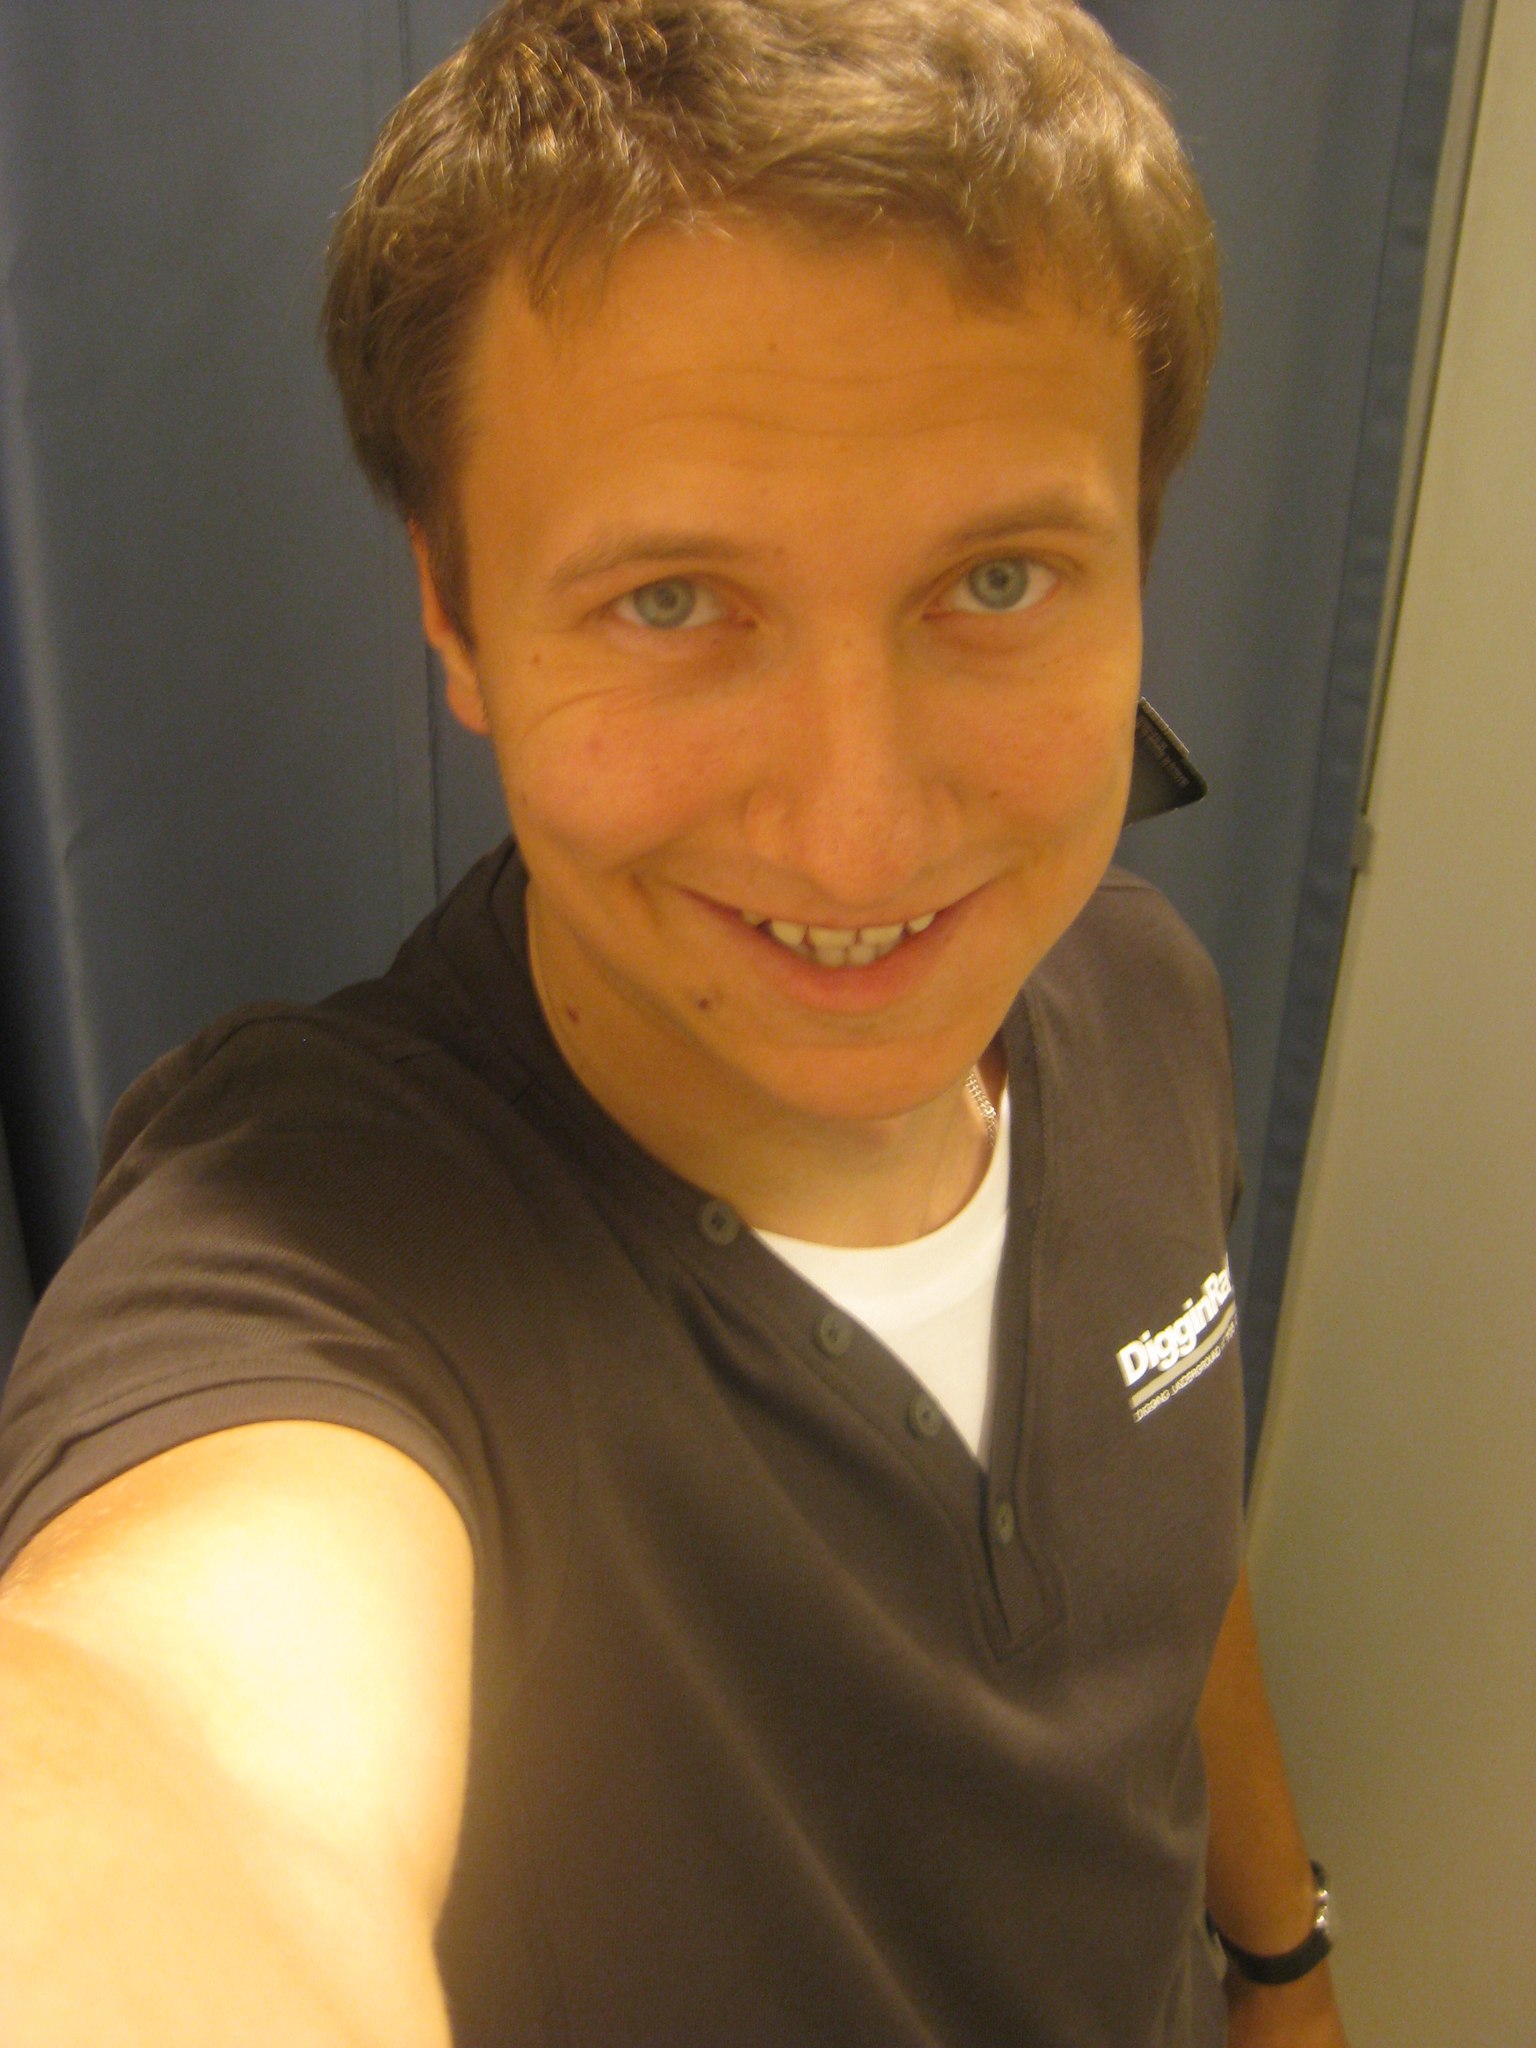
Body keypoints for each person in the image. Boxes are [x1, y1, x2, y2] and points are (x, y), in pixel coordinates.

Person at [0, 3, 1349, 2043]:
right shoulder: (315, 1263)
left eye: (999, 580)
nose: (862, 830)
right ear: (456, 616)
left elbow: (1171, 1566)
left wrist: (1283, 1958)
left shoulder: (1139, 993)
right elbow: (179, 1760)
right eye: (669, 601)